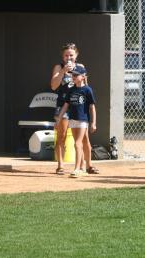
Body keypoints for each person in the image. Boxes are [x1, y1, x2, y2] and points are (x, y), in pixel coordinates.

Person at [49, 43, 98, 175]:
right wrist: (63, 71)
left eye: (71, 55)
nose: (68, 57)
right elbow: (53, 86)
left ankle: (89, 165)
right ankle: (60, 165)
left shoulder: (80, 67)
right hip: (64, 104)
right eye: (66, 55)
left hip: (79, 105)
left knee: (84, 138)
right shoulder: (59, 67)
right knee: (62, 135)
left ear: (76, 55)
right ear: (62, 56)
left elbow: (85, 86)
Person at [58, 66, 96, 178]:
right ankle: (83, 168)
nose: (73, 77)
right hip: (72, 119)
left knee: (77, 143)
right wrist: (59, 118)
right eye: (72, 75)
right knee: (79, 143)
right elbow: (66, 105)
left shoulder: (87, 90)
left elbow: (92, 107)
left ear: (83, 77)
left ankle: (77, 168)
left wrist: (93, 123)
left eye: (75, 75)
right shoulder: (71, 90)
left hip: (82, 120)